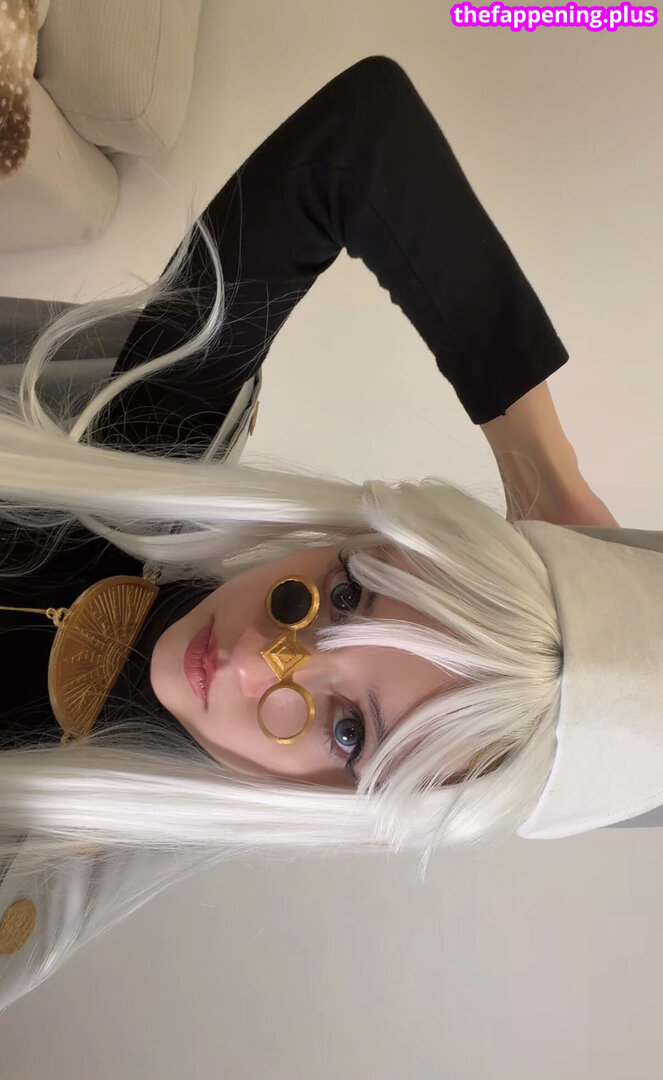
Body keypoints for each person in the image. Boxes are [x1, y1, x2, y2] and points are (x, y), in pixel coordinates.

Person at [0, 56, 647, 1016]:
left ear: (346, 808)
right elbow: (359, 144)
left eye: (348, 730)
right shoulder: (147, 459)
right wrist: (542, 475)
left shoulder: (45, 867)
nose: (255, 660)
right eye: (343, 592)